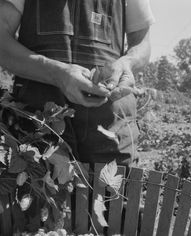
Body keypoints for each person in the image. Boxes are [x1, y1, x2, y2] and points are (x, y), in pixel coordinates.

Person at [0, 0, 155, 166]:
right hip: (38, 123)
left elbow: (142, 43)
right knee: (38, 185)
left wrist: (128, 63)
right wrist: (56, 73)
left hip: (112, 125)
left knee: (112, 188)